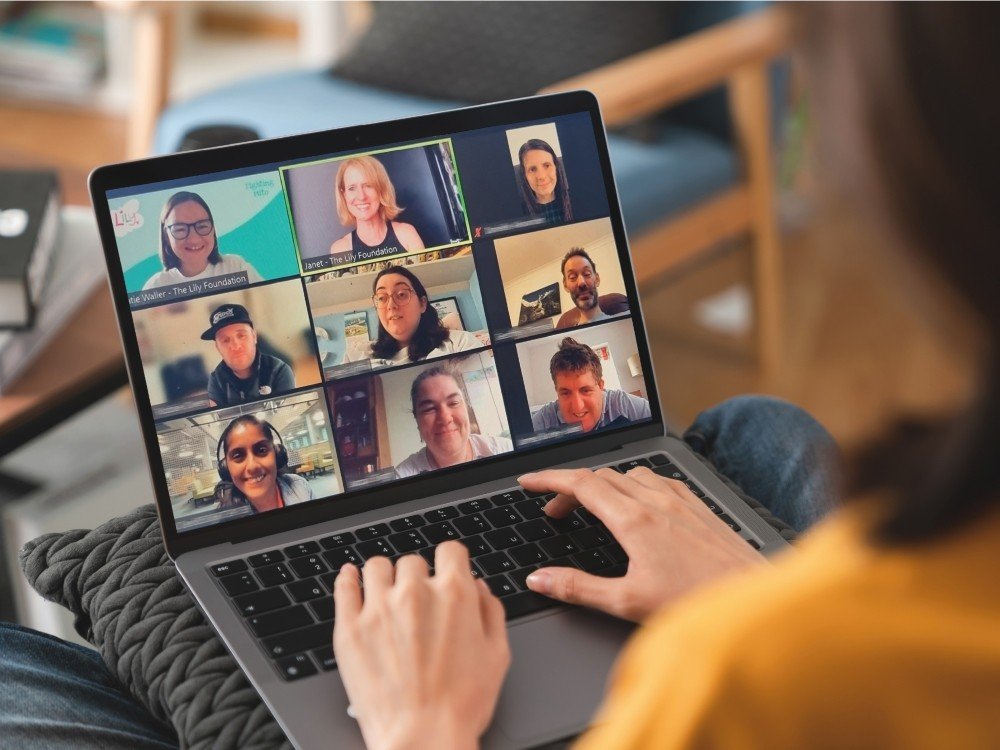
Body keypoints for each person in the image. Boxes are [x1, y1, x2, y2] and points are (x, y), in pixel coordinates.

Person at [345, 265, 482, 366]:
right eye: (381, 298)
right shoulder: (356, 356)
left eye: (402, 294)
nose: (391, 305)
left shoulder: (459, 344)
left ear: (422, 304)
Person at [395, 367, 513, 478]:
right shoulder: (401, 476)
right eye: (429, 409)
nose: (445, 418)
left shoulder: (506, 450)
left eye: (454, 403)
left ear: (466, 407)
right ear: (417, 420)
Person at [142, 191, 263, 290]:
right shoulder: (156, 287)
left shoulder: (236, 267)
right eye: (180, 229)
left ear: (213, 229)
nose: (193, 238)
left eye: (202, 226)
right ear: (166, 236)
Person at [531, 337, 650, 434]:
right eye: (565, 393)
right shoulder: (542, 422)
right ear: (557, 391)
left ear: (600, 385)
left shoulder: (626, 406)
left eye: (585, 390)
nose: (578, 407)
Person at [329, 155, 425, 265]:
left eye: (368, 186)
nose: (361, 196)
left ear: (381, 190)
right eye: (352, 188)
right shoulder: (340, 249)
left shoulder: (407, 234)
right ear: (344, 194)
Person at [214, 415, 313, 515]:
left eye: (262, 450)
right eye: (238, 455)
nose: (252, 466)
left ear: (277, 455)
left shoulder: (299, 486)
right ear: (226, 467)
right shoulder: (225, 515)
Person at [201, 303, 295, 407]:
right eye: (225, 340)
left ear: (254, 336)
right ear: (217, 347)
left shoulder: (279, 370)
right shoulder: (216, 380)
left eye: (241, 335)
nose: (235, 346)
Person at [554, 247, 630, 329]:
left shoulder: (628, 320)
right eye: (572, 277)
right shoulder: (568, 338)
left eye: (587, 274)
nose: (581, 282)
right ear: (565, 285)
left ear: (597, 279)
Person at [517, 138, 572, 224]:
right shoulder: (519, 214)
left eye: (546, 165)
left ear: (556, 168)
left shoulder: (578, 200)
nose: (541, 176)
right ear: (525, 176)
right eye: (532, 169)